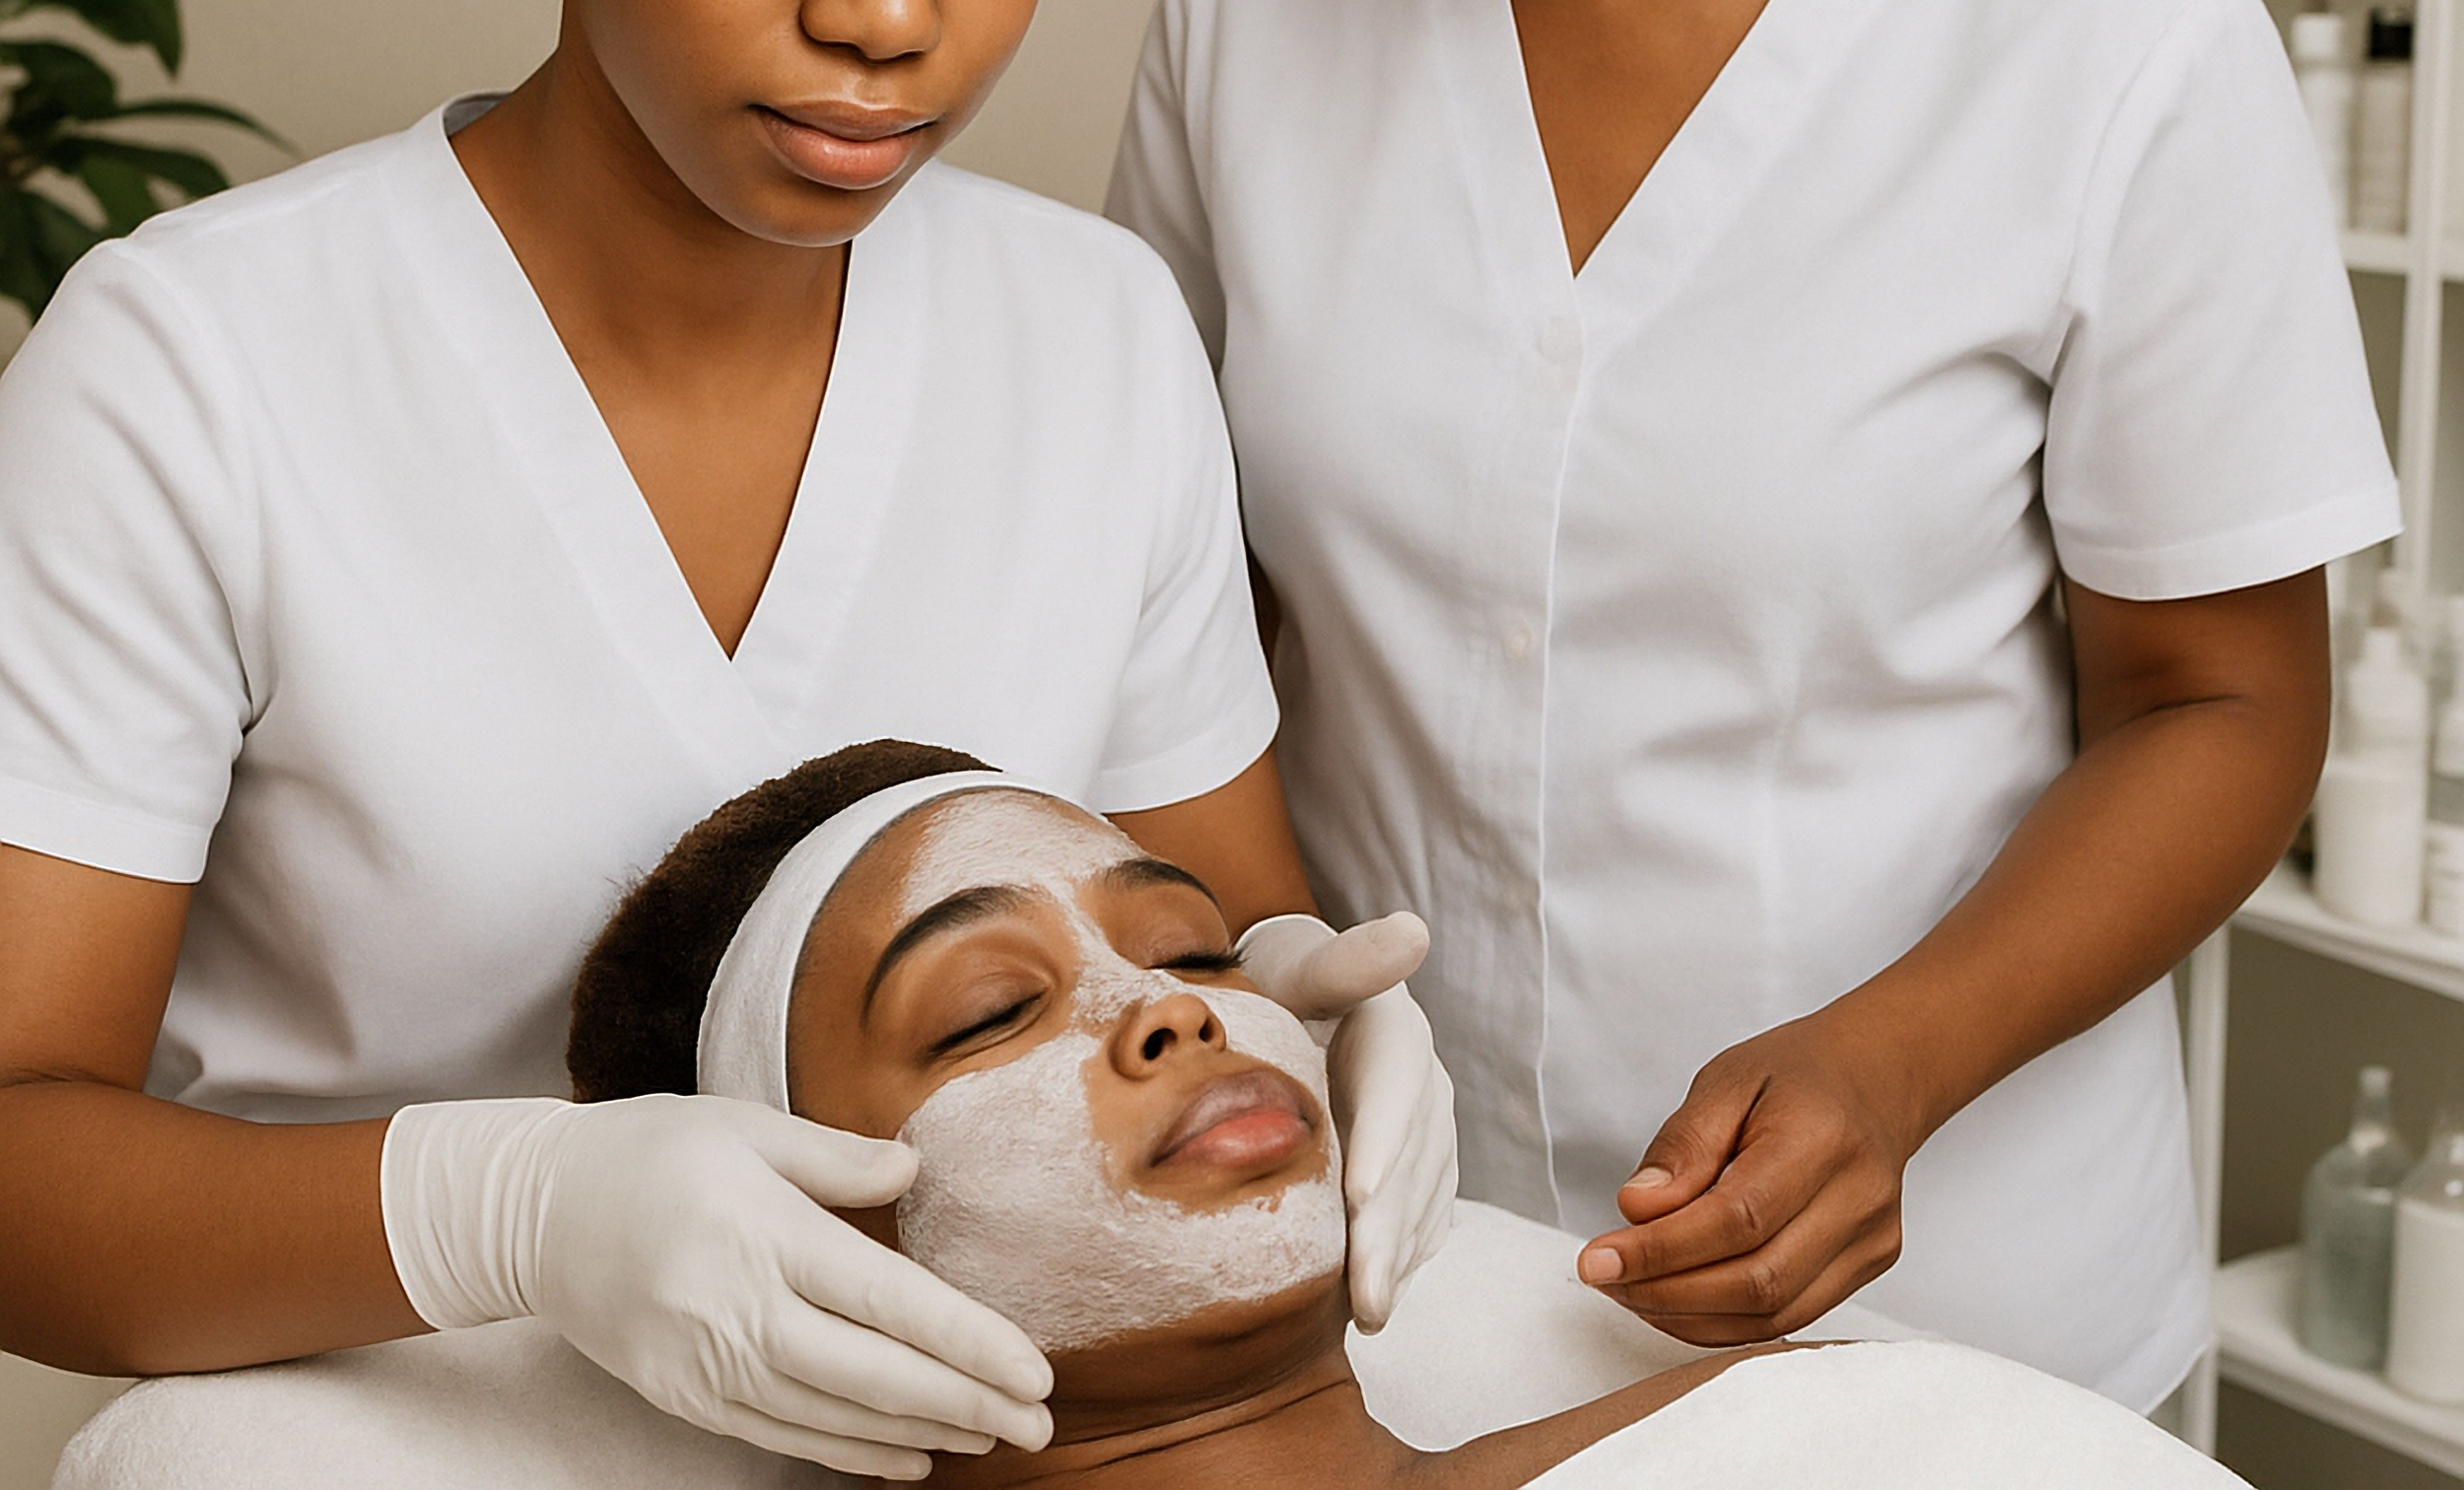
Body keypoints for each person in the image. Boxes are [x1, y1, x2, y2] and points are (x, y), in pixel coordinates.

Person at [0, 0, 1448, 1485]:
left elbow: (1223, 931)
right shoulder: (199, 372)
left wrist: (1320, 1025)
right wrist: (509, 1210)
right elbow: (9, 1164)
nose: (895, 9)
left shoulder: (1085, 341)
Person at [1106, 0, 2397, 1411]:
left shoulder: (2112, 38)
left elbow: (2220, 705)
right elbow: (1180, 603)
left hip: (1940, 1310)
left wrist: (1897, 1056)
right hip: (1384, 1265)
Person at [56, 749, 2239, 1490]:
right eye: (990, 1003)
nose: (1165, 1020)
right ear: (797, 1239)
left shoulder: (1814, 1440)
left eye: (1194, 950)